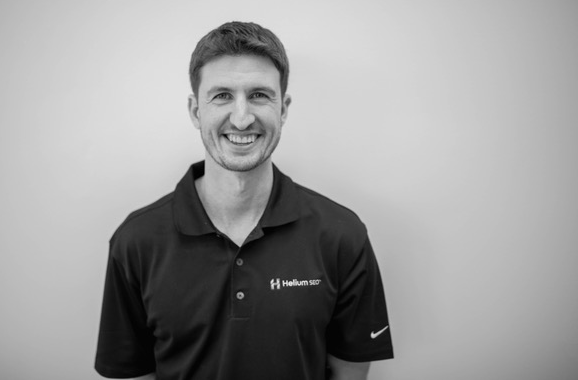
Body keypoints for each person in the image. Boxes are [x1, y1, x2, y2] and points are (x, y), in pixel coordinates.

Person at [95, 21, 393, 380]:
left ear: (283, 109)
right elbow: (132, 373)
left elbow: (351, 372)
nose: (241, 118)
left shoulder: (341, 234)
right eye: (222, 95)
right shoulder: (136, 240)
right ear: (195, 111)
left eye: (259, 95)